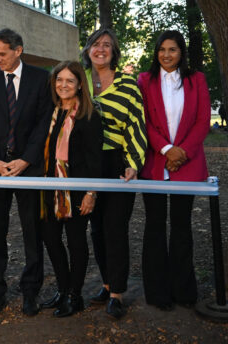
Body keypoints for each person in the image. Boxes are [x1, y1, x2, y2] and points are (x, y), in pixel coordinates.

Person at [0, 28, 51, 317]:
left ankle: (31, 291)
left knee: (33, 232)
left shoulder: (41, 78)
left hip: (29, 169)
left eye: (2, 54)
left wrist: (26, 160)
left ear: (18, 51)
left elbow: (44, 122)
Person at [137, 30, 210, 310]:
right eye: (162, 49)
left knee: (181, 226)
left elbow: (203, 121)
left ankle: (184, 291)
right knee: (154, 226)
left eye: (173, 50)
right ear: (156, 52)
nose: (166, 55)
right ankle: (158, 294)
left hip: (187, 164)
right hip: (155, 163)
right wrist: (167, 150)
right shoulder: (145, 80)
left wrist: (182, 153)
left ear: (181, 53)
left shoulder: (196, 79)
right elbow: (143, 121)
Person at [82, 27, 147, 319]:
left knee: (115, 227)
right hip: (87, 162)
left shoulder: (128, 84)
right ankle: (106, 283)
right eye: (96, 44)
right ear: (88, 49)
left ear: (114, 52)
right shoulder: (80, 79)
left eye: (107, 45)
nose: (101, 49)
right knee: (96, 227)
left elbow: (136, 123)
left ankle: (117, 293)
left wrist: (133, 162)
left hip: (118, 161)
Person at [39, 61, 102, 317]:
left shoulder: (89, 116)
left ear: (79, 85)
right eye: (59, 80)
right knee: (51, 240)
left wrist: (91, 193)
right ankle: (62, 290)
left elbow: (95, 159)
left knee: (76, 242)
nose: (63, 85)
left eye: (69, 81)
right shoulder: (49, 112)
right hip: (48, 188)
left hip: (76, 189)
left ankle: (75, 296)